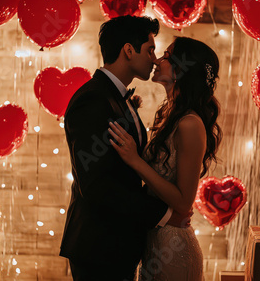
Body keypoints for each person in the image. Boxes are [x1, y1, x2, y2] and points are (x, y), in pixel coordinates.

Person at [60, 16, 191, 281]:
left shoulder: (119, 97)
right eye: (150, 49)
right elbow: (96, 186)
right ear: (128, 50)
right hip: (99, 247)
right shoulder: (93, 99)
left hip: (118, 245)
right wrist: (164, 215)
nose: (155, 59)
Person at [108, 37, 222, 281]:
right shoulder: (170, 114)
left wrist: (135, 160)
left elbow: (183, 202)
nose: (158, 60)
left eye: (167, 56)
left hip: (174, 249)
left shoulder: (190, 123)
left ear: (182, 69)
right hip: (156, 241)